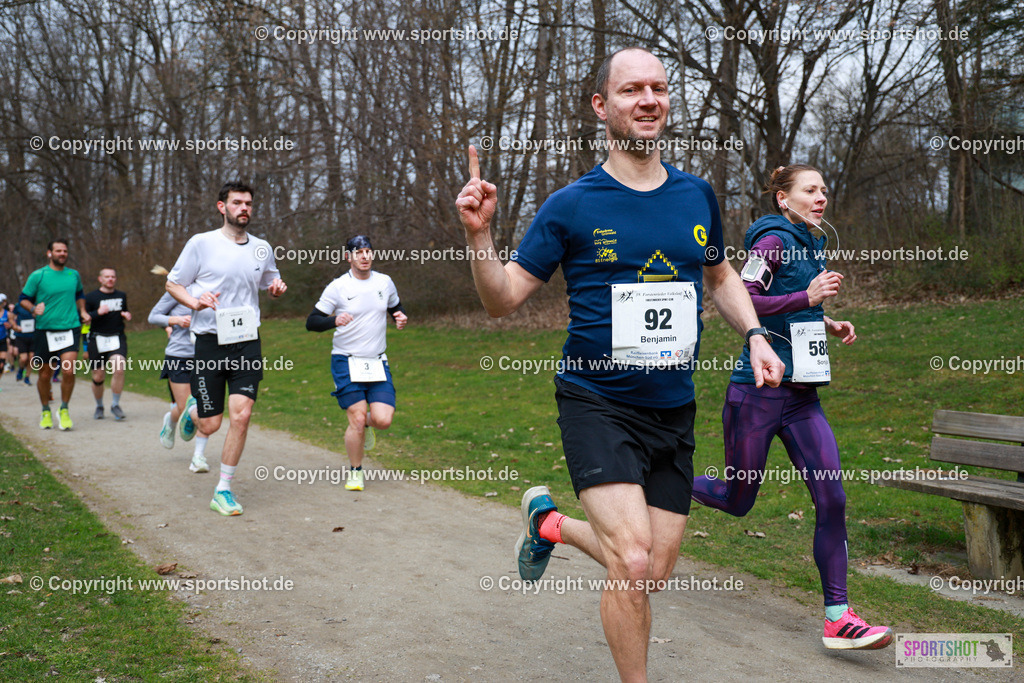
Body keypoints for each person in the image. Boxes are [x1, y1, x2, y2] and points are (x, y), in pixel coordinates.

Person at [456, 47, 783, 681]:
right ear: (603, 106)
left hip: (672, 407)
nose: (649, 99)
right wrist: (478, 236)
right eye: (632, 89)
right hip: (596, 402)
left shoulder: (696, 195)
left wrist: (755, 334)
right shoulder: (572, 205)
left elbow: (720, 275)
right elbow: (501, 301)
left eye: (659, 87)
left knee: (652, 571)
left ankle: (548, 524)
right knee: (631, 560)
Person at [691, 164, 892, 650]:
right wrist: (808, 294)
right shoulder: (772, 242)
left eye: (824, 189)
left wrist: (826, 321)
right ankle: (666, 477)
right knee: (738, 501)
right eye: (809, 190)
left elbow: (797, 311)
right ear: (784, 199)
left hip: (803, 397)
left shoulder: (811, 244)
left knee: (833, 498)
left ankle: (838, 617)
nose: (821, 197)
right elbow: (748, 300)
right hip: (757, 394)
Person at [166, 181, 286, 516]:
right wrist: (195, 301)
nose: (244, 208)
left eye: (248, 203)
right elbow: (172, 283)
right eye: (237, 203)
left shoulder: (262, 248)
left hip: (247, 342)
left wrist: (275, 288)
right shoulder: (201, 244)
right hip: (209, 342)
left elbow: (268, 281)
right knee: (210, 424)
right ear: (222, 207)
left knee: (242, 415)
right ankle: (192, 412)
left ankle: (223, 489)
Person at [305, 235, 408, 492]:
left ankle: (366, 427)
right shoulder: (338, 287)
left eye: (368, 251)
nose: (364, 256)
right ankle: (355, 471)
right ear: (348, 257)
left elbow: (395, 306)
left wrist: (399, 316)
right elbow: (312, 321)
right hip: (346, 361)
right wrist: (334, 321)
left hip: (376, 361)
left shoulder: (385, 282)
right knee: (357, 417)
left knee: (383, 419)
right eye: (358, 252)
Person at [19, 239, 90, 430]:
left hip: (70, 327)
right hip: (45, 330)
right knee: (44, 375)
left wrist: (82, 311)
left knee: (68, 370)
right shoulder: (38, 276)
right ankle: (45, 410)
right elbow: (23, 299)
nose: (62, 254)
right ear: (49, 253)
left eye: (65, 251)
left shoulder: (73, 275)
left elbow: (79, 295)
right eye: (58, 250)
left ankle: (64, 409)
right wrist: (34, 308)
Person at [148, 288, 196, 449]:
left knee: (204, 407)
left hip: (206, 357)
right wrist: (176, 320)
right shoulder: (178, 291)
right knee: (186, 407)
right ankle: (171, 422)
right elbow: (153, 317)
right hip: (179, 356)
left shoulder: (216, 288)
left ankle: (199, 455)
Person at [84, 267, 131, 420]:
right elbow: (82, 319)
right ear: (100, 279)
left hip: (117, 338)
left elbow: (123, 312)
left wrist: (126, 315)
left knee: (118, 368)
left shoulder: (121, 295)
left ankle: (115, 405)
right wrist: (97, 313)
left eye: (113, 276)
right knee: (98, 376)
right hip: (97, 339)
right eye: (107, 277)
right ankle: (99, 406)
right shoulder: (90, 297)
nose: (110, 279)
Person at [12, 302, 35, 385]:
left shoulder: (36, 304)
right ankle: (21, 369)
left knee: (32, 357)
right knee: (24, 358)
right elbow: (12, 317)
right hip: (21, 335)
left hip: (33, 335)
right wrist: (14, 325)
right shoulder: (18, 305)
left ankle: (27, 377)